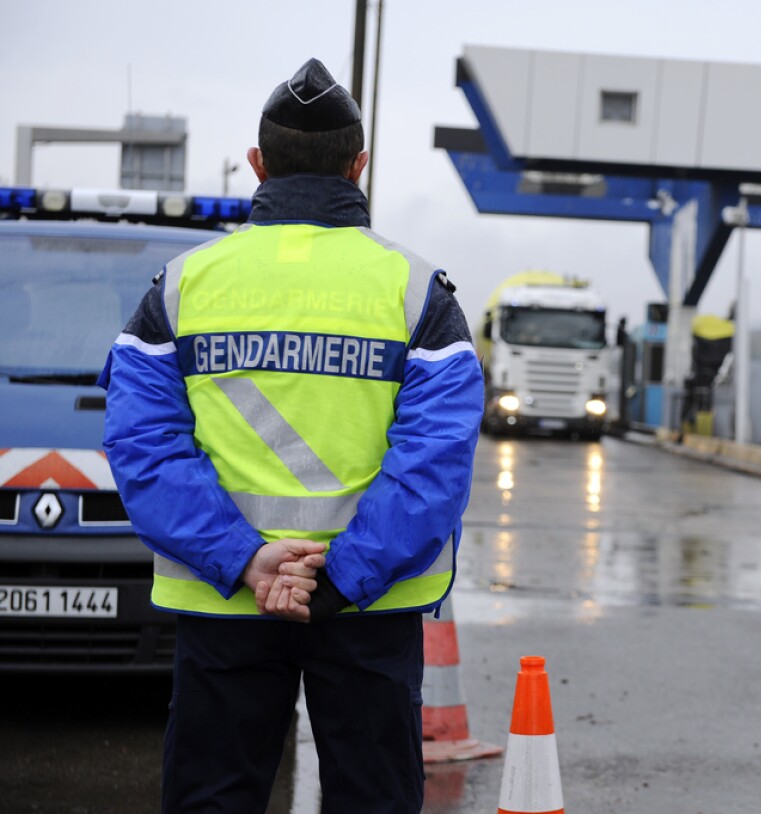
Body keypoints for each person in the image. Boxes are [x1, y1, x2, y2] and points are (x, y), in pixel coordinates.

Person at [99, 57, 484, 813]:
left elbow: (143, 449)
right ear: (358, 166)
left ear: (258, 164)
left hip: (226, 602)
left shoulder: (180, 287)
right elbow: (434, 466)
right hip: (369, 607)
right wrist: (338, 580)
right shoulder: (418, 295)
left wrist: (247, 561)